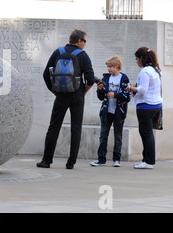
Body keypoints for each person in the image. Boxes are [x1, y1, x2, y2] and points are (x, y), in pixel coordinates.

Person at [37, 29, 95, 169]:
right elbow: (91, 79)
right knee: (76, 128)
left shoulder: (58, 52)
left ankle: (46, 161)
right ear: (79, 41)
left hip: (61, 96)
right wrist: (83, 92)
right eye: (85, 41)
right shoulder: (83, 56)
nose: (85, 44)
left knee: (54, 127)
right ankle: (70, 163)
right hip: (77, 96)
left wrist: (56, 90)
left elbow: (46, 74)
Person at [125, 47, 162, 169]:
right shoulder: (155, 69)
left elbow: (143, 90)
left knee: (146, 133)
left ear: (142, 58)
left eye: (137, 59)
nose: (136, 61)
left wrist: (131, 88)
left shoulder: (145, 71)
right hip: (155, 105)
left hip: (146, 106)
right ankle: (146, 159)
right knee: (147, 133)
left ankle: (148, 161)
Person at [90, 56, 131, 167]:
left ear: (117, 66)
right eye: (108, 66)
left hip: (119, 113)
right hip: (106, 112)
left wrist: (115, 95)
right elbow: (101, 97)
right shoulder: (106, 78)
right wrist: (99, 90)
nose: (108, 69)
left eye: (111, 66)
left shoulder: (124, 78)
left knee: (118, 137)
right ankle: (101, 159)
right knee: (103, 136)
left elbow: (127, 97)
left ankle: (116, 159)